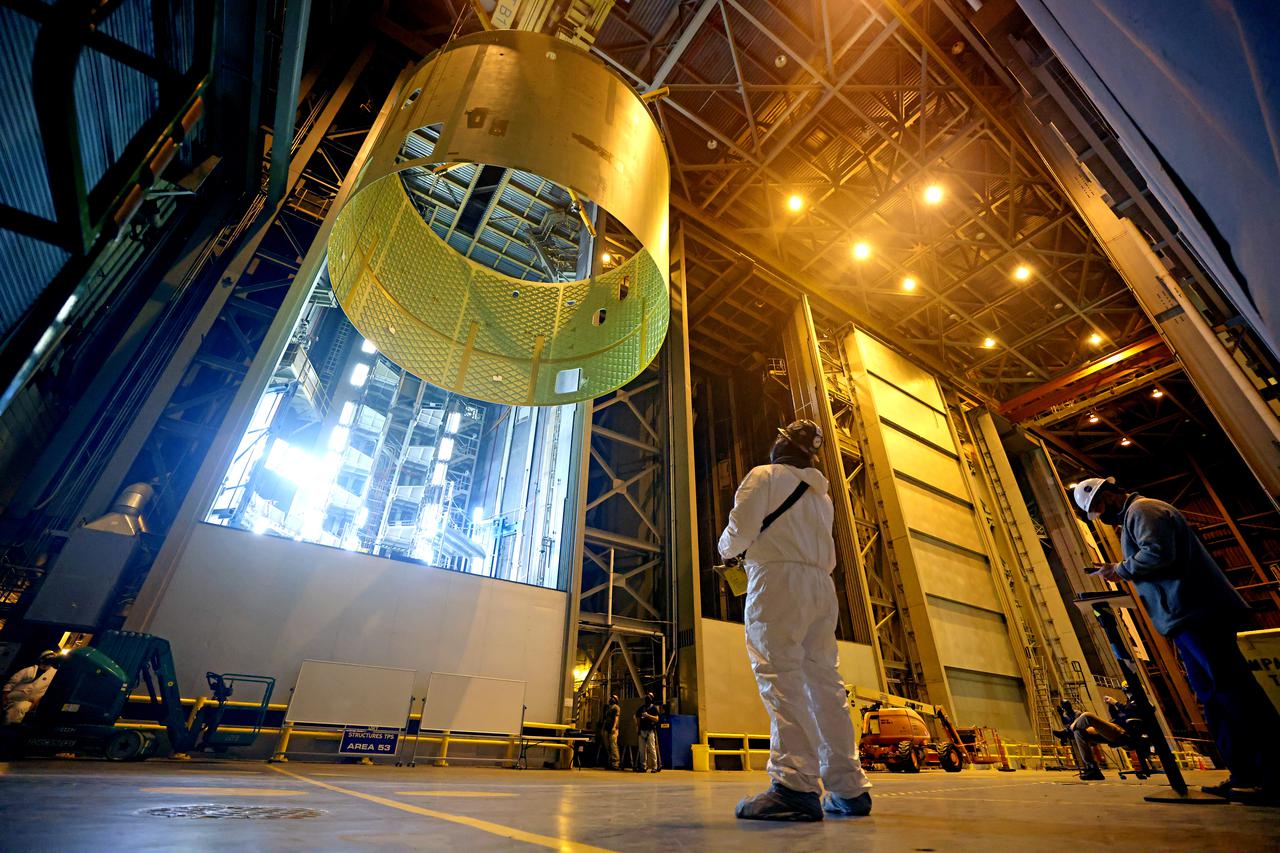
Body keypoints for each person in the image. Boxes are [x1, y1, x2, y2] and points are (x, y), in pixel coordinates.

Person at [1073, 476, 1280, 804]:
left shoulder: (1144, 511)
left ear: (1111, 493)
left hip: (1197, 613)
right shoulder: (1134, 517)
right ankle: (1246, 775)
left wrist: (1120, 569)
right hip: (1185, 617)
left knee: (1232, 693)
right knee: (1213, 697)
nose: (1101, 514)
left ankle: (1272, 776)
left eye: (1099, 506)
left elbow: (1159, 554)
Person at [718, 419, 873, 822]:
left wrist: (725, 548)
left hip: (777, 580)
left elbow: (740, 532)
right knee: (825, 685)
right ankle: (849, 788)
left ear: (779, 445)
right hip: (822, 587)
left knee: (781, 679)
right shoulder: (823, 497)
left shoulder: (764, 476)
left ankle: (794, 785)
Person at [2, 651, 60, 725]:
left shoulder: (54, 674)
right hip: (12, 698)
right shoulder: (29, 670)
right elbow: (11, 683)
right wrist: (4, 696)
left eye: (51, 659)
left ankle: (10, 728)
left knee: (19, 708)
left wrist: (38, 703)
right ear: (42, 659)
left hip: (30, 702)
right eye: (47, 658)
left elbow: (50, 691)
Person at [635, 693, 660, 773]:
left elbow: (656, 719)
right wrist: (638, 729)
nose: (647, 698)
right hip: (642, 731)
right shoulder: (641, 708)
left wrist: (648, 715)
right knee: (642, 750)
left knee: (652, 749)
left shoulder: (654, 708)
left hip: (650, 731)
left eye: (649, 697)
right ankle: (643, 766)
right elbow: (638, 718)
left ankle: (654, 767)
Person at [599, 694, 620, 770]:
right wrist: (603, 729)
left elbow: (616, 718)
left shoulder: (616, 708)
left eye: (614, 698)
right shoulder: (608, 708)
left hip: (613, 729)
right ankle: (609, 763)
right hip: (606, 729)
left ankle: (615, 764)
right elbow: (605, 719)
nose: (612, 699)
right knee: (607, 747)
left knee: (613, 746)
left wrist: (614, 727)